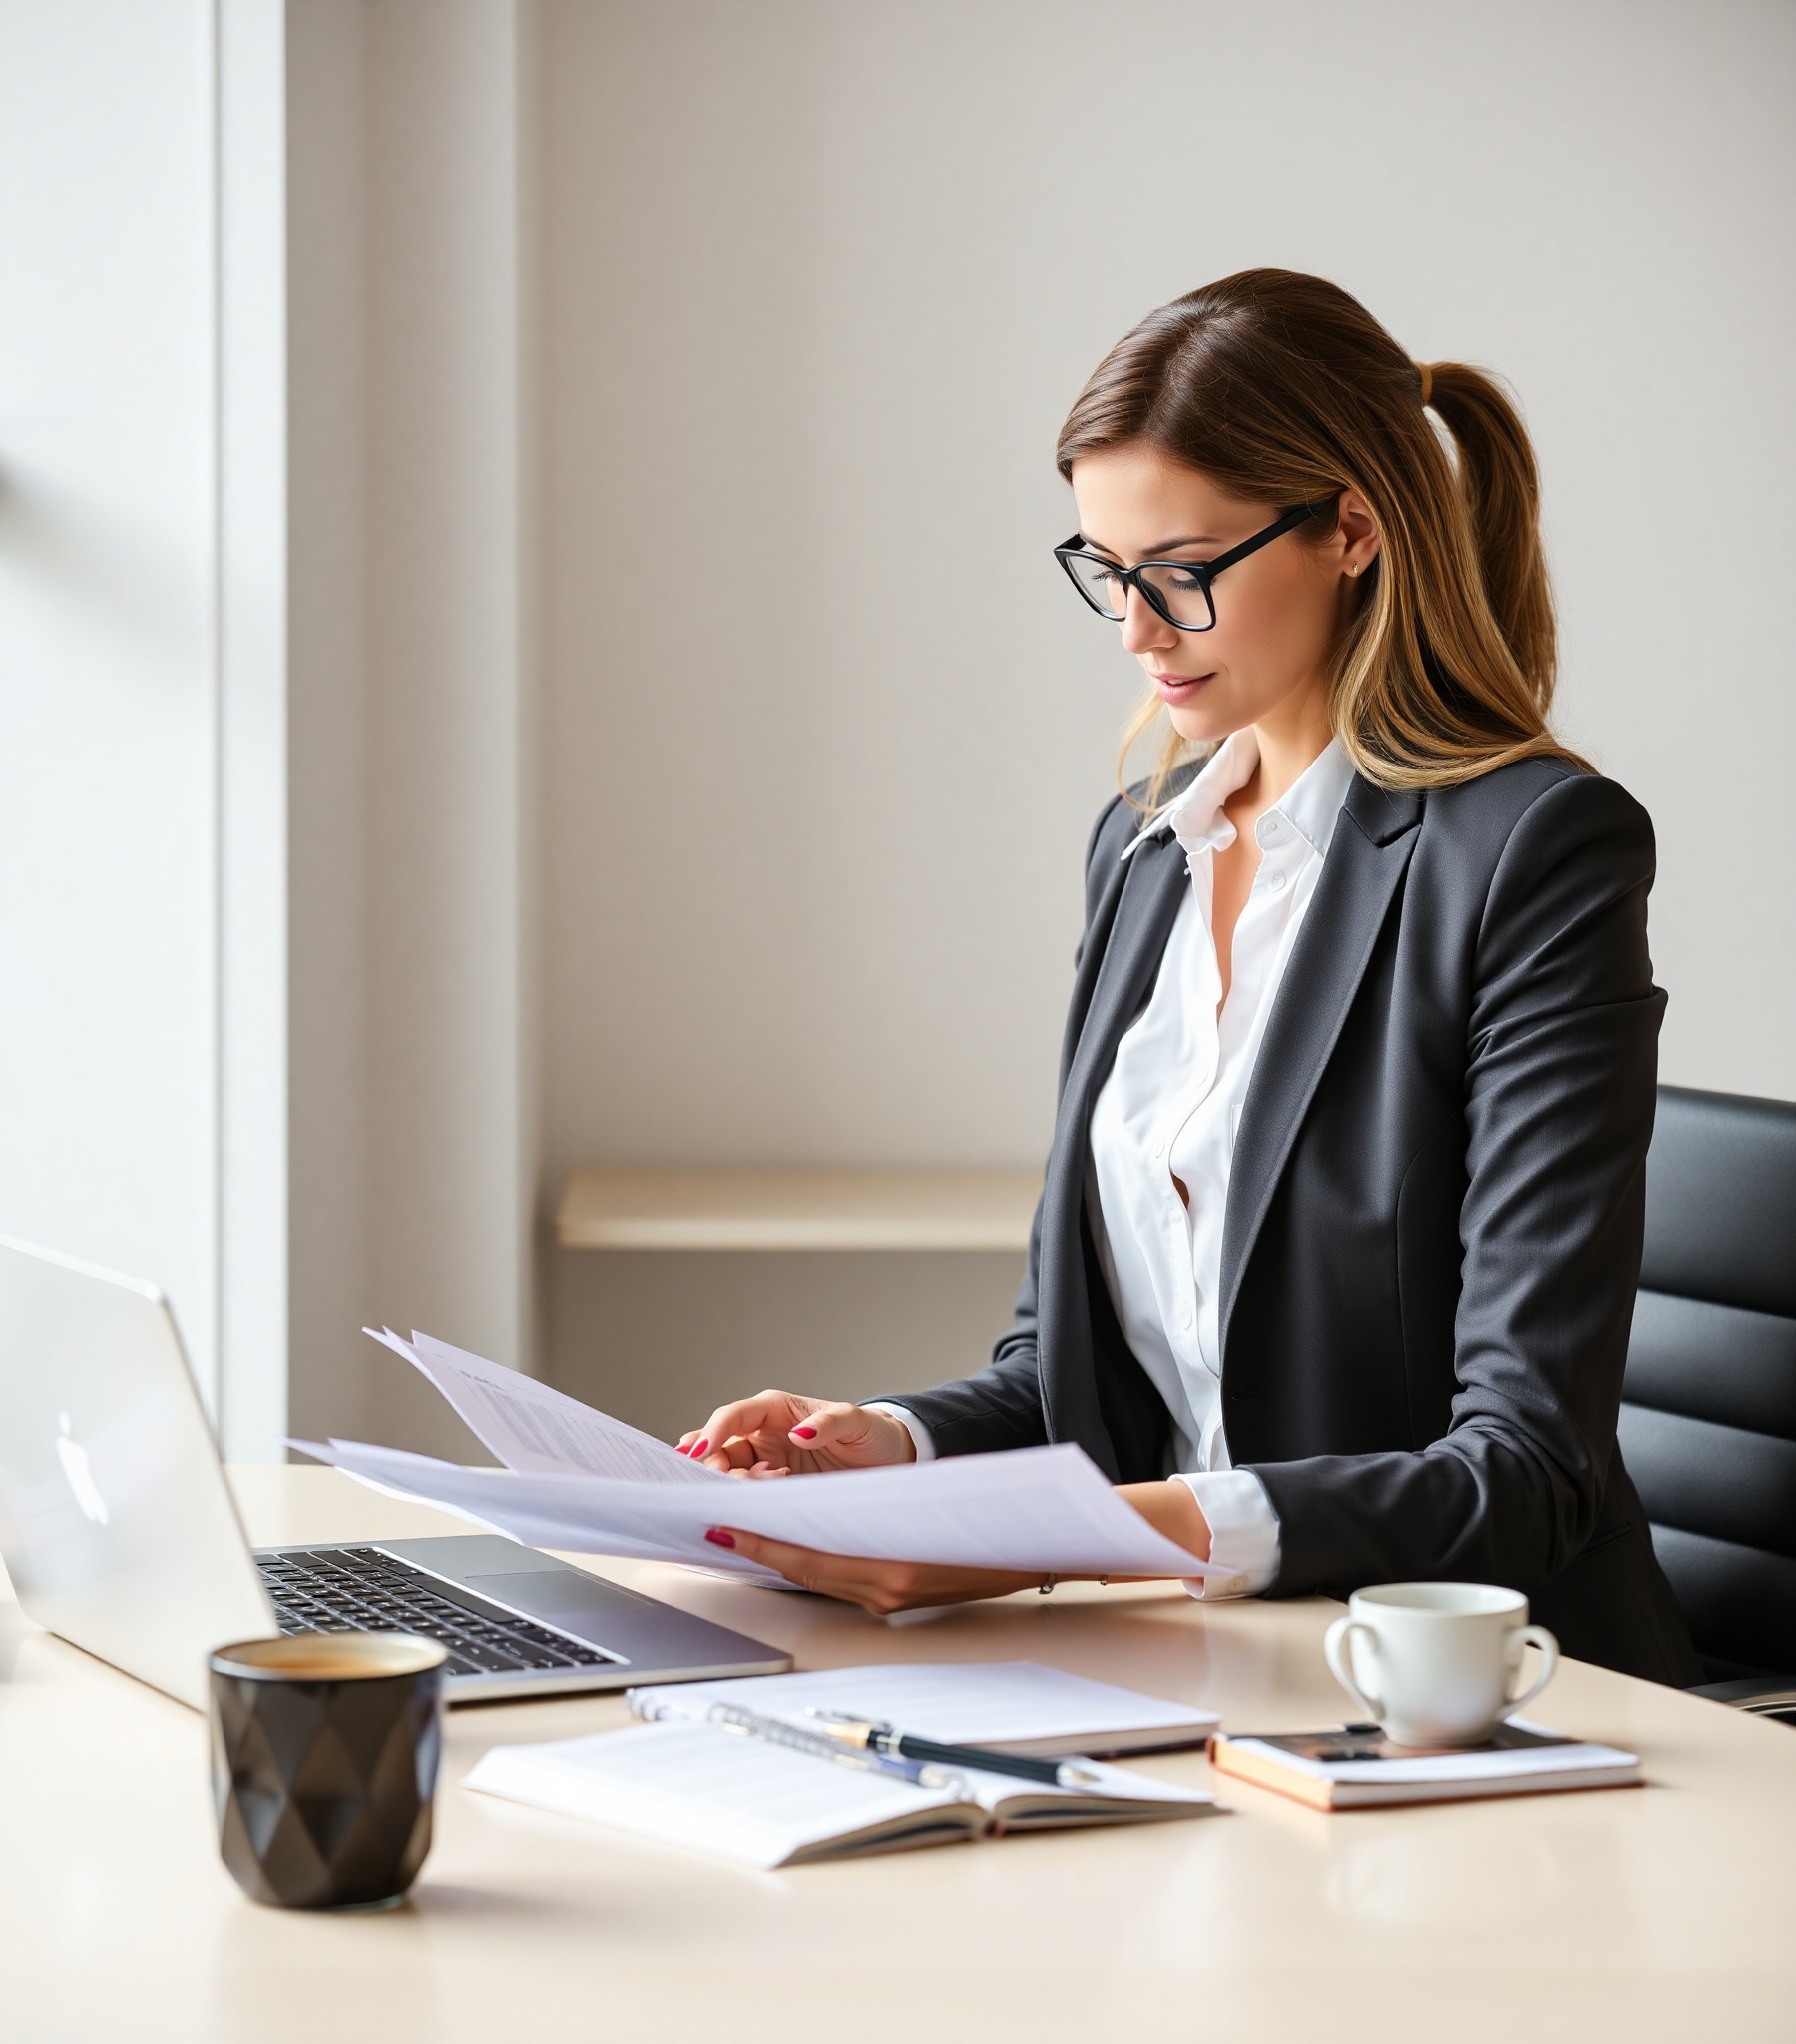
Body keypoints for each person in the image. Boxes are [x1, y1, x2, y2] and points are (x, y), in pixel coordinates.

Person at [675, 268, 1699, 1686]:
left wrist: (1056, 1541)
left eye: (1183, 572)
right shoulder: (1142, 848)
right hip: (1201, 1672)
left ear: (1352, 528)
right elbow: (1071, 1375)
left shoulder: (1534, 854)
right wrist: (887, 1448)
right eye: (1107, 569)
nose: (1136, 629)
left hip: (1473, 1699)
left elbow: (1523, 1473)